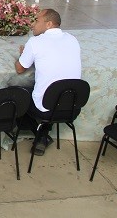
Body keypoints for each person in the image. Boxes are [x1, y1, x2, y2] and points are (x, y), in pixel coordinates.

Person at [14, 9, 81, 156]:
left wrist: (23, 54)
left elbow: (20, 69)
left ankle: (36, 133)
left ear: (49, 24)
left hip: (45, 107)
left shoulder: (35, 42)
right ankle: (43, 135)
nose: (33, 24)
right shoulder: (72, 39)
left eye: (37, 20)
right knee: (51, 94)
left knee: (18, 93)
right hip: (72, 107)